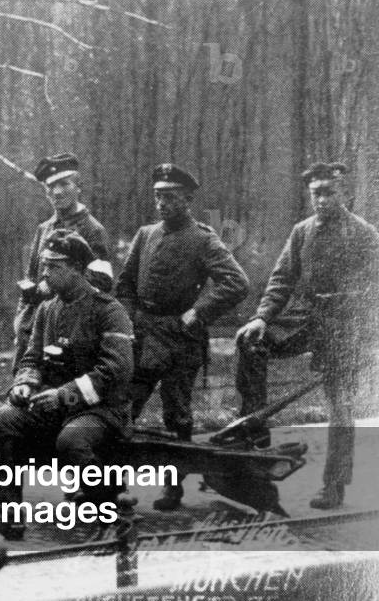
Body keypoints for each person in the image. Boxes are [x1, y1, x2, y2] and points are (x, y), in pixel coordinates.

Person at [235, 162, 379, 510]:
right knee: (251, 343)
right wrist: (261, 318)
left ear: (344, 193)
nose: (321, 199)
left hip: (346, 326)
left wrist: (358, 317)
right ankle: (256, 449)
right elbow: (282, 279)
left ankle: (334, 485)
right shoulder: (302, 231)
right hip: (307, 318)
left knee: (341, 406)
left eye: (328, 192)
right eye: (316, 193)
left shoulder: (364, 234)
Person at [0, 229, 134, 540]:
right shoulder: (46, 309)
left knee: (72, 441)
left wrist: (65, 394)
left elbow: (116, 370)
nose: (45, 274)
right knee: (1, 421)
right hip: (54, 404)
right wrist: (25, 384)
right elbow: (31, 359)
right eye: (43, 265)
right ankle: (9, 516)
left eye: (54, 267)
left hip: (102, 410)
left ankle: (107, 516)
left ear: (78, 269)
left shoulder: (108, 311)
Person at [115, 163, 248, 510]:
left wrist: (198, 312)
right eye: (159, 197)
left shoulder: (203, 239)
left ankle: (173, 488)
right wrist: (128, 320)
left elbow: (237, 282)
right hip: (142, 338)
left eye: (171, 198)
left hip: (180, 340)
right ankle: (112, 487)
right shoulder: (145, 235)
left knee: (177, 415)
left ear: (187, 200)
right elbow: (125, 285)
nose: (162, 204)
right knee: (122, 408)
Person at [13, 153, 113, 370]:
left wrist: (53, 285)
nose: (56, 192)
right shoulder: (44, 229)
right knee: (23, 387)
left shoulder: (93, 230)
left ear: (78, 187)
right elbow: (31, 279)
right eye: (50, 186)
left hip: (70, 329)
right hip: (34, 329)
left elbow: (102, 285)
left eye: (63, 184)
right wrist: (21, 322)